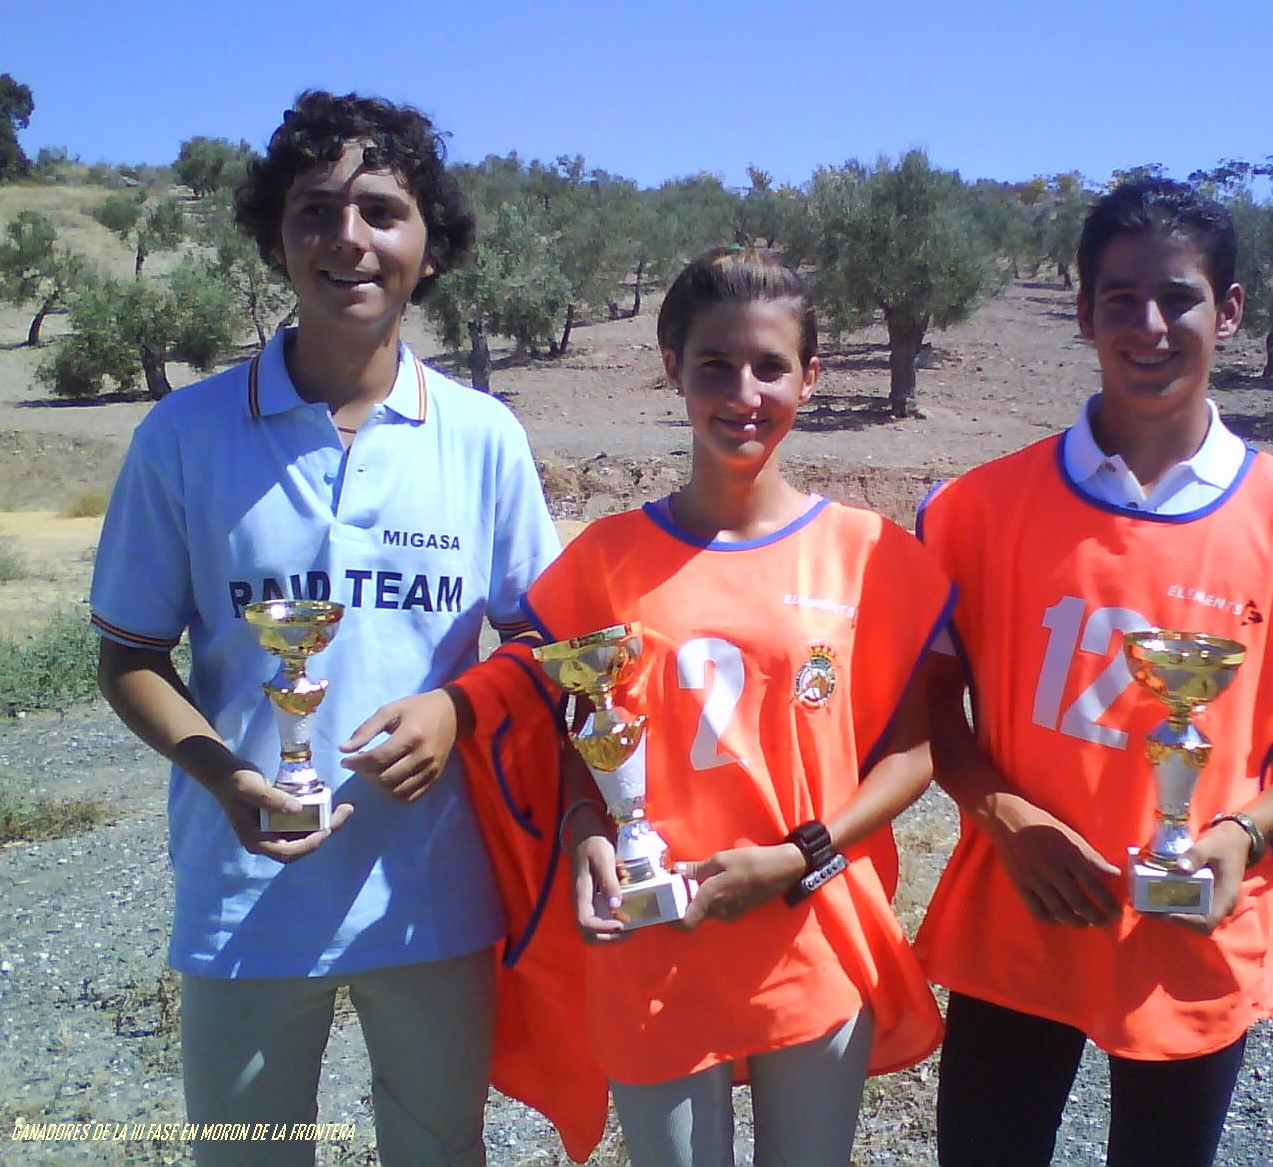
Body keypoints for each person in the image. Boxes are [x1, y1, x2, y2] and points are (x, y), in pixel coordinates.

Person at [355, 247, 952, 1166]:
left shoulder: (872, 555)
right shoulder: (603, 559)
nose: (743, 393)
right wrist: (584, 829)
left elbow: (914, 753)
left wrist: (798, 855)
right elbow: (578, 735)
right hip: (651, 937)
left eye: (770, 367)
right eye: (715, 364)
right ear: (673, 366)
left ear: (810, 377)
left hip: (806, 921)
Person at [90, 90, 560, 1166]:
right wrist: (219, 774)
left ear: (429, 246)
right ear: (276, 238)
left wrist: (457, 707)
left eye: (382, 211)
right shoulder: (186, 433)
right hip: (243, 893)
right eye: (314, 210)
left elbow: (542, 642)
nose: (348, 238)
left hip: (432, 898)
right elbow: (129, 655)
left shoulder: (482, 436)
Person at [916, 177, 1273, 1167]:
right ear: (1084, 312)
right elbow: (929, 709)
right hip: (1023, 911)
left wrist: (1240, 833)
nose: (1148, 326)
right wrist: (1007, 818)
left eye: (1178, 297)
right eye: (1120, 299)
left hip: (1195, 929)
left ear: (1228, 310)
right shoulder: (979, 507)